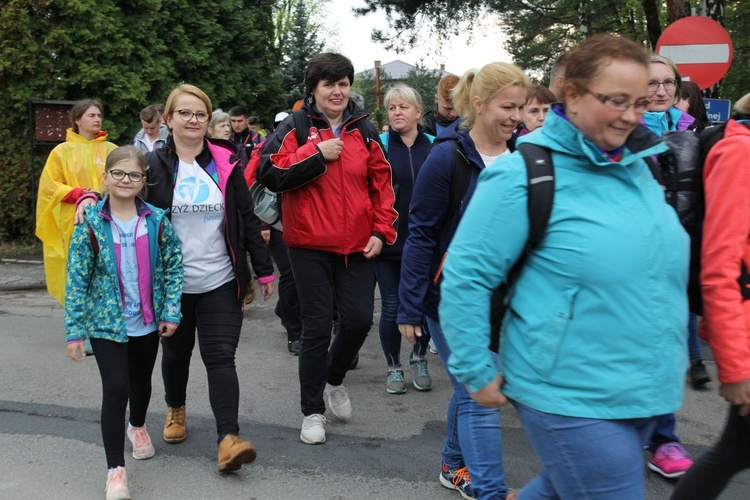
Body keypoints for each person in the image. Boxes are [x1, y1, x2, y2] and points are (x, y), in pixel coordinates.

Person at [439, 34, 689, 500]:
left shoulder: (644, 166)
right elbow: (467, 274)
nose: (632, 115)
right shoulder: (522, 175)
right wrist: (474, 365)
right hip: (569, 392)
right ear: (570, 95)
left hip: (643, 386)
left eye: (638, 102)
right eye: (616, 100)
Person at [79, 84, 276, 472]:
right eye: (184, 113)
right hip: (169, 286)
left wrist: (263, 266)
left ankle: (228, 438)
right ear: (168, 119)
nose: (193, 120)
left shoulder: (227, 160)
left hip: (220, 279)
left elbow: (244, 217)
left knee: (221, 358)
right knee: (176, 355)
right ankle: (175, 408)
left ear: (208, 120)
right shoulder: (152, 165)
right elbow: (120, 188)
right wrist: (88, 200)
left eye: (200, 114)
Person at [399, 62, 530, 499]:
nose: (515, 117)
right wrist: (410, 306)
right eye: (507, 107)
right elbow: (421, 235)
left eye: (521, 108)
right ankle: (481, 483)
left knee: (474, 385)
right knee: (476, 389)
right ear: (478, 104)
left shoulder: (527, 157)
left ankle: (452, 462)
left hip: (506, 301)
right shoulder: (447, 156)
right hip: (451, 298)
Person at [258, 52, 397, 445]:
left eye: (343, 84)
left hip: (357, 246)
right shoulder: (295, 126)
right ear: (314, 89)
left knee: (358, 321)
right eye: (328, 84)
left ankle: (334, 378)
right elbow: (269, 171)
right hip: (308, 246)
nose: (337, 91)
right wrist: (315, 153)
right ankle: (312, 411)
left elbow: (382, 186)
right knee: (317, 328)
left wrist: (381, 231)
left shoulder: (365, 129)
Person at [65, 146, 183, 500]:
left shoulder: (157, 220)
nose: (125, 180)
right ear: (106, 178)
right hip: (106, 323)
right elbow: (76, 280)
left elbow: (175, 266)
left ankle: (137, 426)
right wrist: (74, 331)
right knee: (116, 389)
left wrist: (171, 311)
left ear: (143, 181)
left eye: (133, 175)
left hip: (146, 321)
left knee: (140, 384)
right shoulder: (91, 224)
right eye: (119, 173)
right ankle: (115, 471)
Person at [670, 94, 750, 500]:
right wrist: (735, 369)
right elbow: (720, 265)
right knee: (732, 452)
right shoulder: (740, 150)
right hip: (747, 334)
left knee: (736, 451)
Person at [641, 53, 701, 478]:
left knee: (670, 351)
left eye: (667, 83)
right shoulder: (623, 136)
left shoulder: (695, 133)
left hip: (682, 261)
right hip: (637, 263)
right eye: (652, 83)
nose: (661, 90)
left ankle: (662, 437)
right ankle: (653, 436)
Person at [377, 83, 435, 395]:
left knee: (422, 304)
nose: (397, 112)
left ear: (417, 112)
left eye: (403, 107)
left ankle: (419, 357)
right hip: (388, 242)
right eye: (391, 108)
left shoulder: (437, 145)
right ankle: (393, 366)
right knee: (390, 307)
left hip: (425, 243)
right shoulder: (380, 145)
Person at [36, 98, 118, 306]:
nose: (97, 119)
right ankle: (80, 321)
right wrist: (77, 193)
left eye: (99, 115)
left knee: (108, 268)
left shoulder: (111, 149)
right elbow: (50, 186)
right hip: (75, 222)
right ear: (77, 120)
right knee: (78, 270)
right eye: (91, 115)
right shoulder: (61, 151)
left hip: (109, 219)